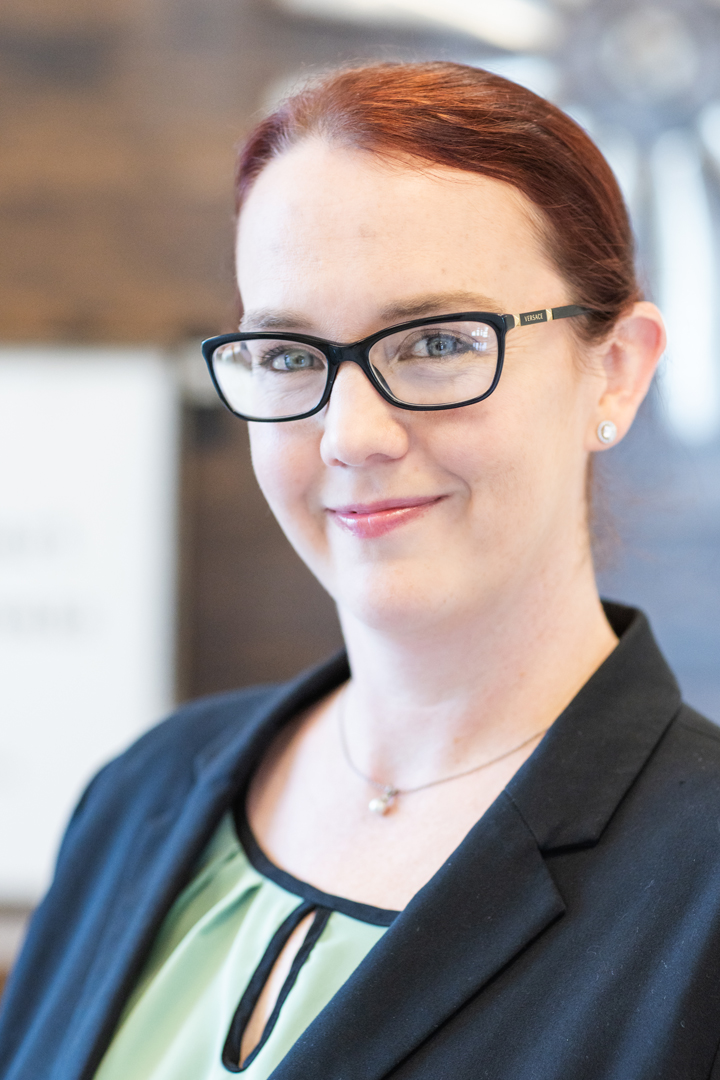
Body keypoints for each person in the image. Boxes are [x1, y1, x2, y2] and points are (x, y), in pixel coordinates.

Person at [2, 60, 720, 1080]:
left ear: (616, 370)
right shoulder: (142, 795)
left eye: (435, 341)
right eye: (291, 355)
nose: (353, 434)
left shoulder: (701, 887)